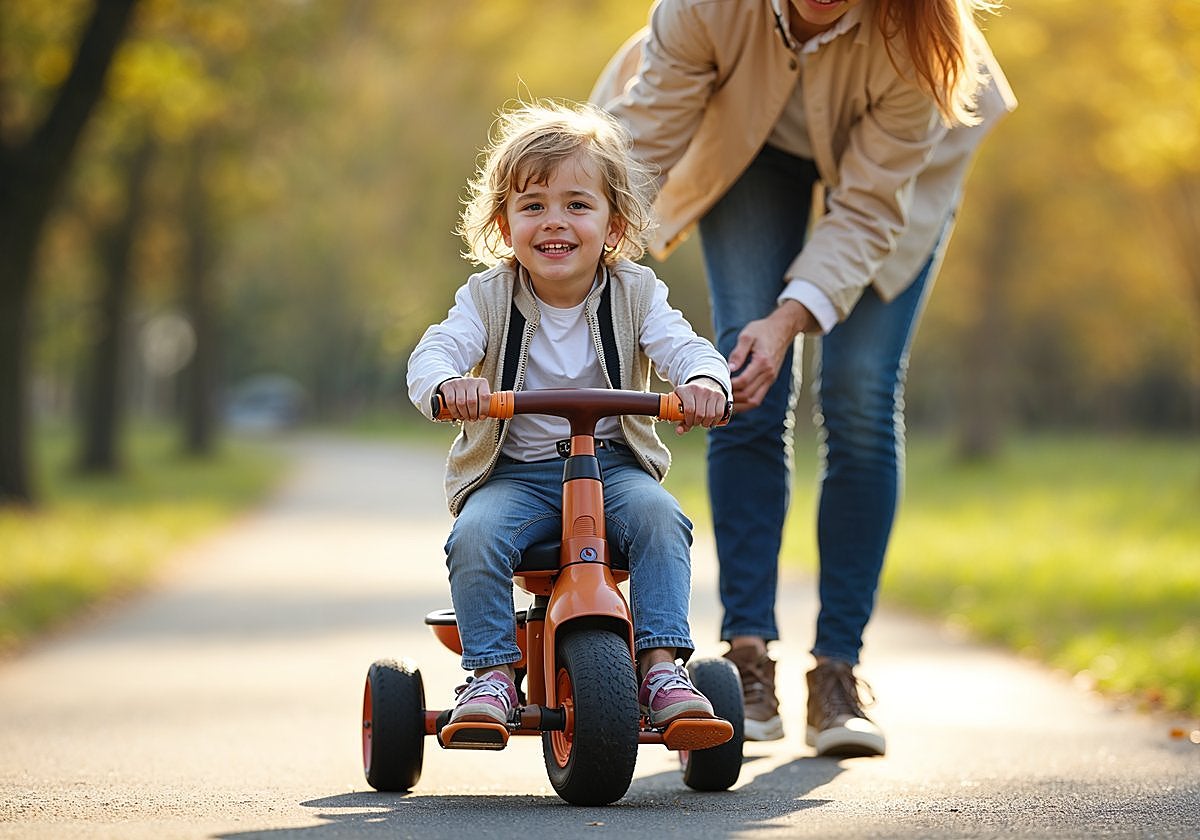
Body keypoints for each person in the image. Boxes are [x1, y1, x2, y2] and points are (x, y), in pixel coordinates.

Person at [592, 0, 1016, 755]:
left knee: (857, 392)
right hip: (753, 140)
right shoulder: (707, 10)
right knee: (744, 382)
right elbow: (643, 141)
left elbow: (866, 208)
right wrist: (563, 250)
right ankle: (748, 659)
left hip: (895, 175)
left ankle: (838, 672)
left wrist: (790, 318)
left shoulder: (921, 38)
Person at [407, 100, 734, 733]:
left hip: (613, 470)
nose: (554, 222)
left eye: (577, 205)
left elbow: (682, 344)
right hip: (516, 474)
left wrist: (702, 380)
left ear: (614, 225)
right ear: (505, 226)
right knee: (475, 535)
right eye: (532, 206)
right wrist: (448, 385)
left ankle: (662, 666)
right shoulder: (488, 296)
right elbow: (437, 350)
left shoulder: (637, 292)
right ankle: (492, 674)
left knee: (664, 519)